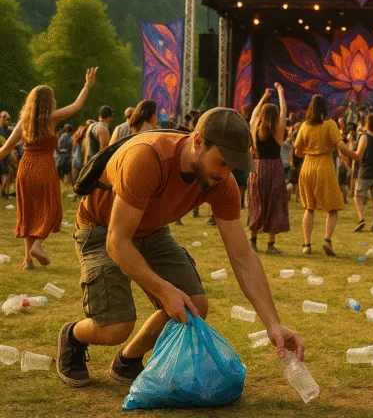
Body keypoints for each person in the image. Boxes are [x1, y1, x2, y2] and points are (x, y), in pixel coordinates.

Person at [55, 107, 305, 388]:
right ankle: (73, 336)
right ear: (198, 142)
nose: (226, 174)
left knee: (193, 305)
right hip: (101, 229)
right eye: (222, 162)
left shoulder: (223, 182)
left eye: (233, 166)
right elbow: (117, 241)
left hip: (151, 229)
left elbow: (243, 255)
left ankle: (128, 360)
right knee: (116, 327)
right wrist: (164, 291)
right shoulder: (147, 158)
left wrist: (272, 323)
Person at [0, 68, 97, 270]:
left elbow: (6, 148)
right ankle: (37, 245)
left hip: (25, 169)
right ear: (48, 101)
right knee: (51, 209)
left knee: (29, 212)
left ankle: (27, 260)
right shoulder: (51, 118)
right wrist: (87, 85)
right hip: (44, 168)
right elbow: (76, 106)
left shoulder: (22, 123)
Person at [294, 94, 358, 256]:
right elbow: (340, 146)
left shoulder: (304, 126)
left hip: (307, 166)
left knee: (309, 208)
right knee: (333, 208)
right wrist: (355, 155)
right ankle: (327, 240)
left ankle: (306, 244)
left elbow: (297, 151)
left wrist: (310, 153)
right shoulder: (329, 124)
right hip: (324, 166)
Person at [248, 85, 289, 255]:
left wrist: (264, 97)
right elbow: (284, 112)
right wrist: (281, 92)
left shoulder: (254, 128)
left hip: (257, 167)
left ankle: (253, 240)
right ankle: (271, 244)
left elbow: (254, 114)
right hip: (274, 167)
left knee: (257, 202)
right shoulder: (278, 131)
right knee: (275, 203)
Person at [0, 111, 12, 197]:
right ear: (2, 118)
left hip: (5, 154)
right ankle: (2, 192)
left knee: (8, 172)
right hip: (2, 154)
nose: (8, 121)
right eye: (7, 119)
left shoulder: (5, 130)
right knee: (5, 173)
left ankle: (5, 192)